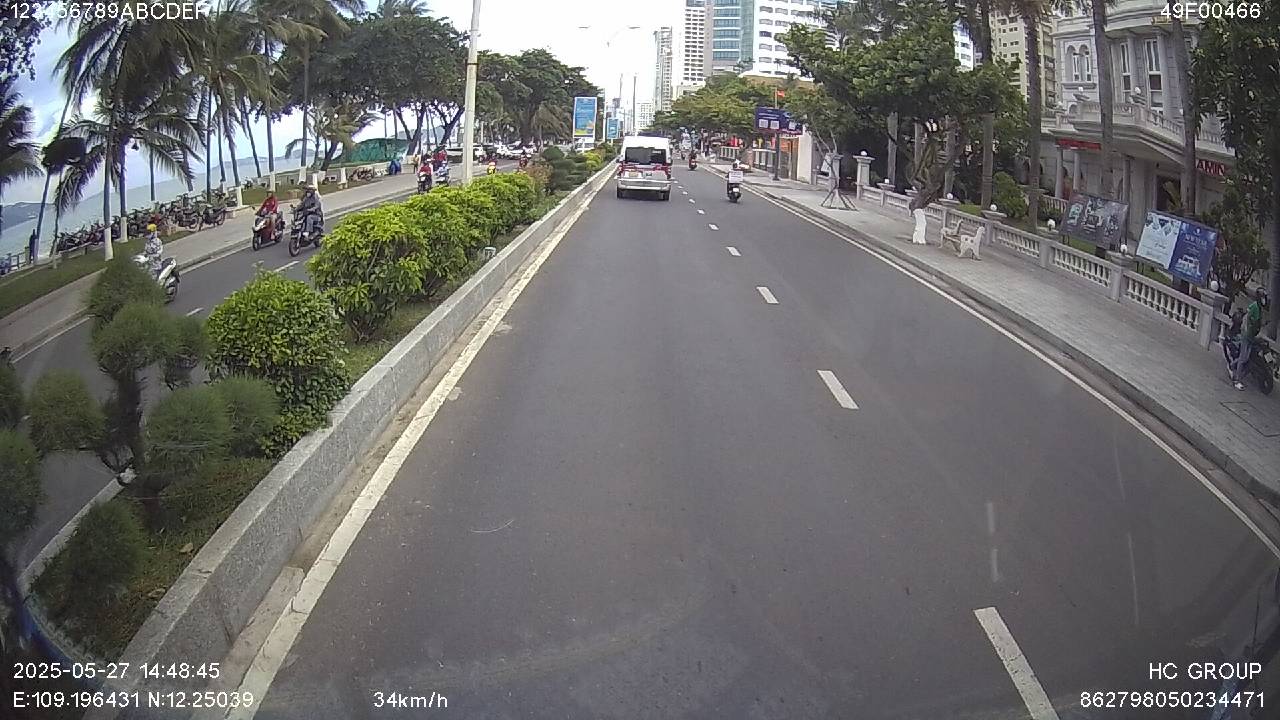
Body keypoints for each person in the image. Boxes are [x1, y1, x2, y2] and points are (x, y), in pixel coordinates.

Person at [1231, 288, 1267, 390]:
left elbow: (1256, 322)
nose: (1264, 300)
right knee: (1243, 358)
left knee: (1246, 358)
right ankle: (1237, 380)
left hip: (1251, 336)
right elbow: (1247, 318)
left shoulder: (1259, 308)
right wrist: (1247, 331)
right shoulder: (1254, 306)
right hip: (1247, 336)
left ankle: (1232, 366)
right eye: (1263, 298)